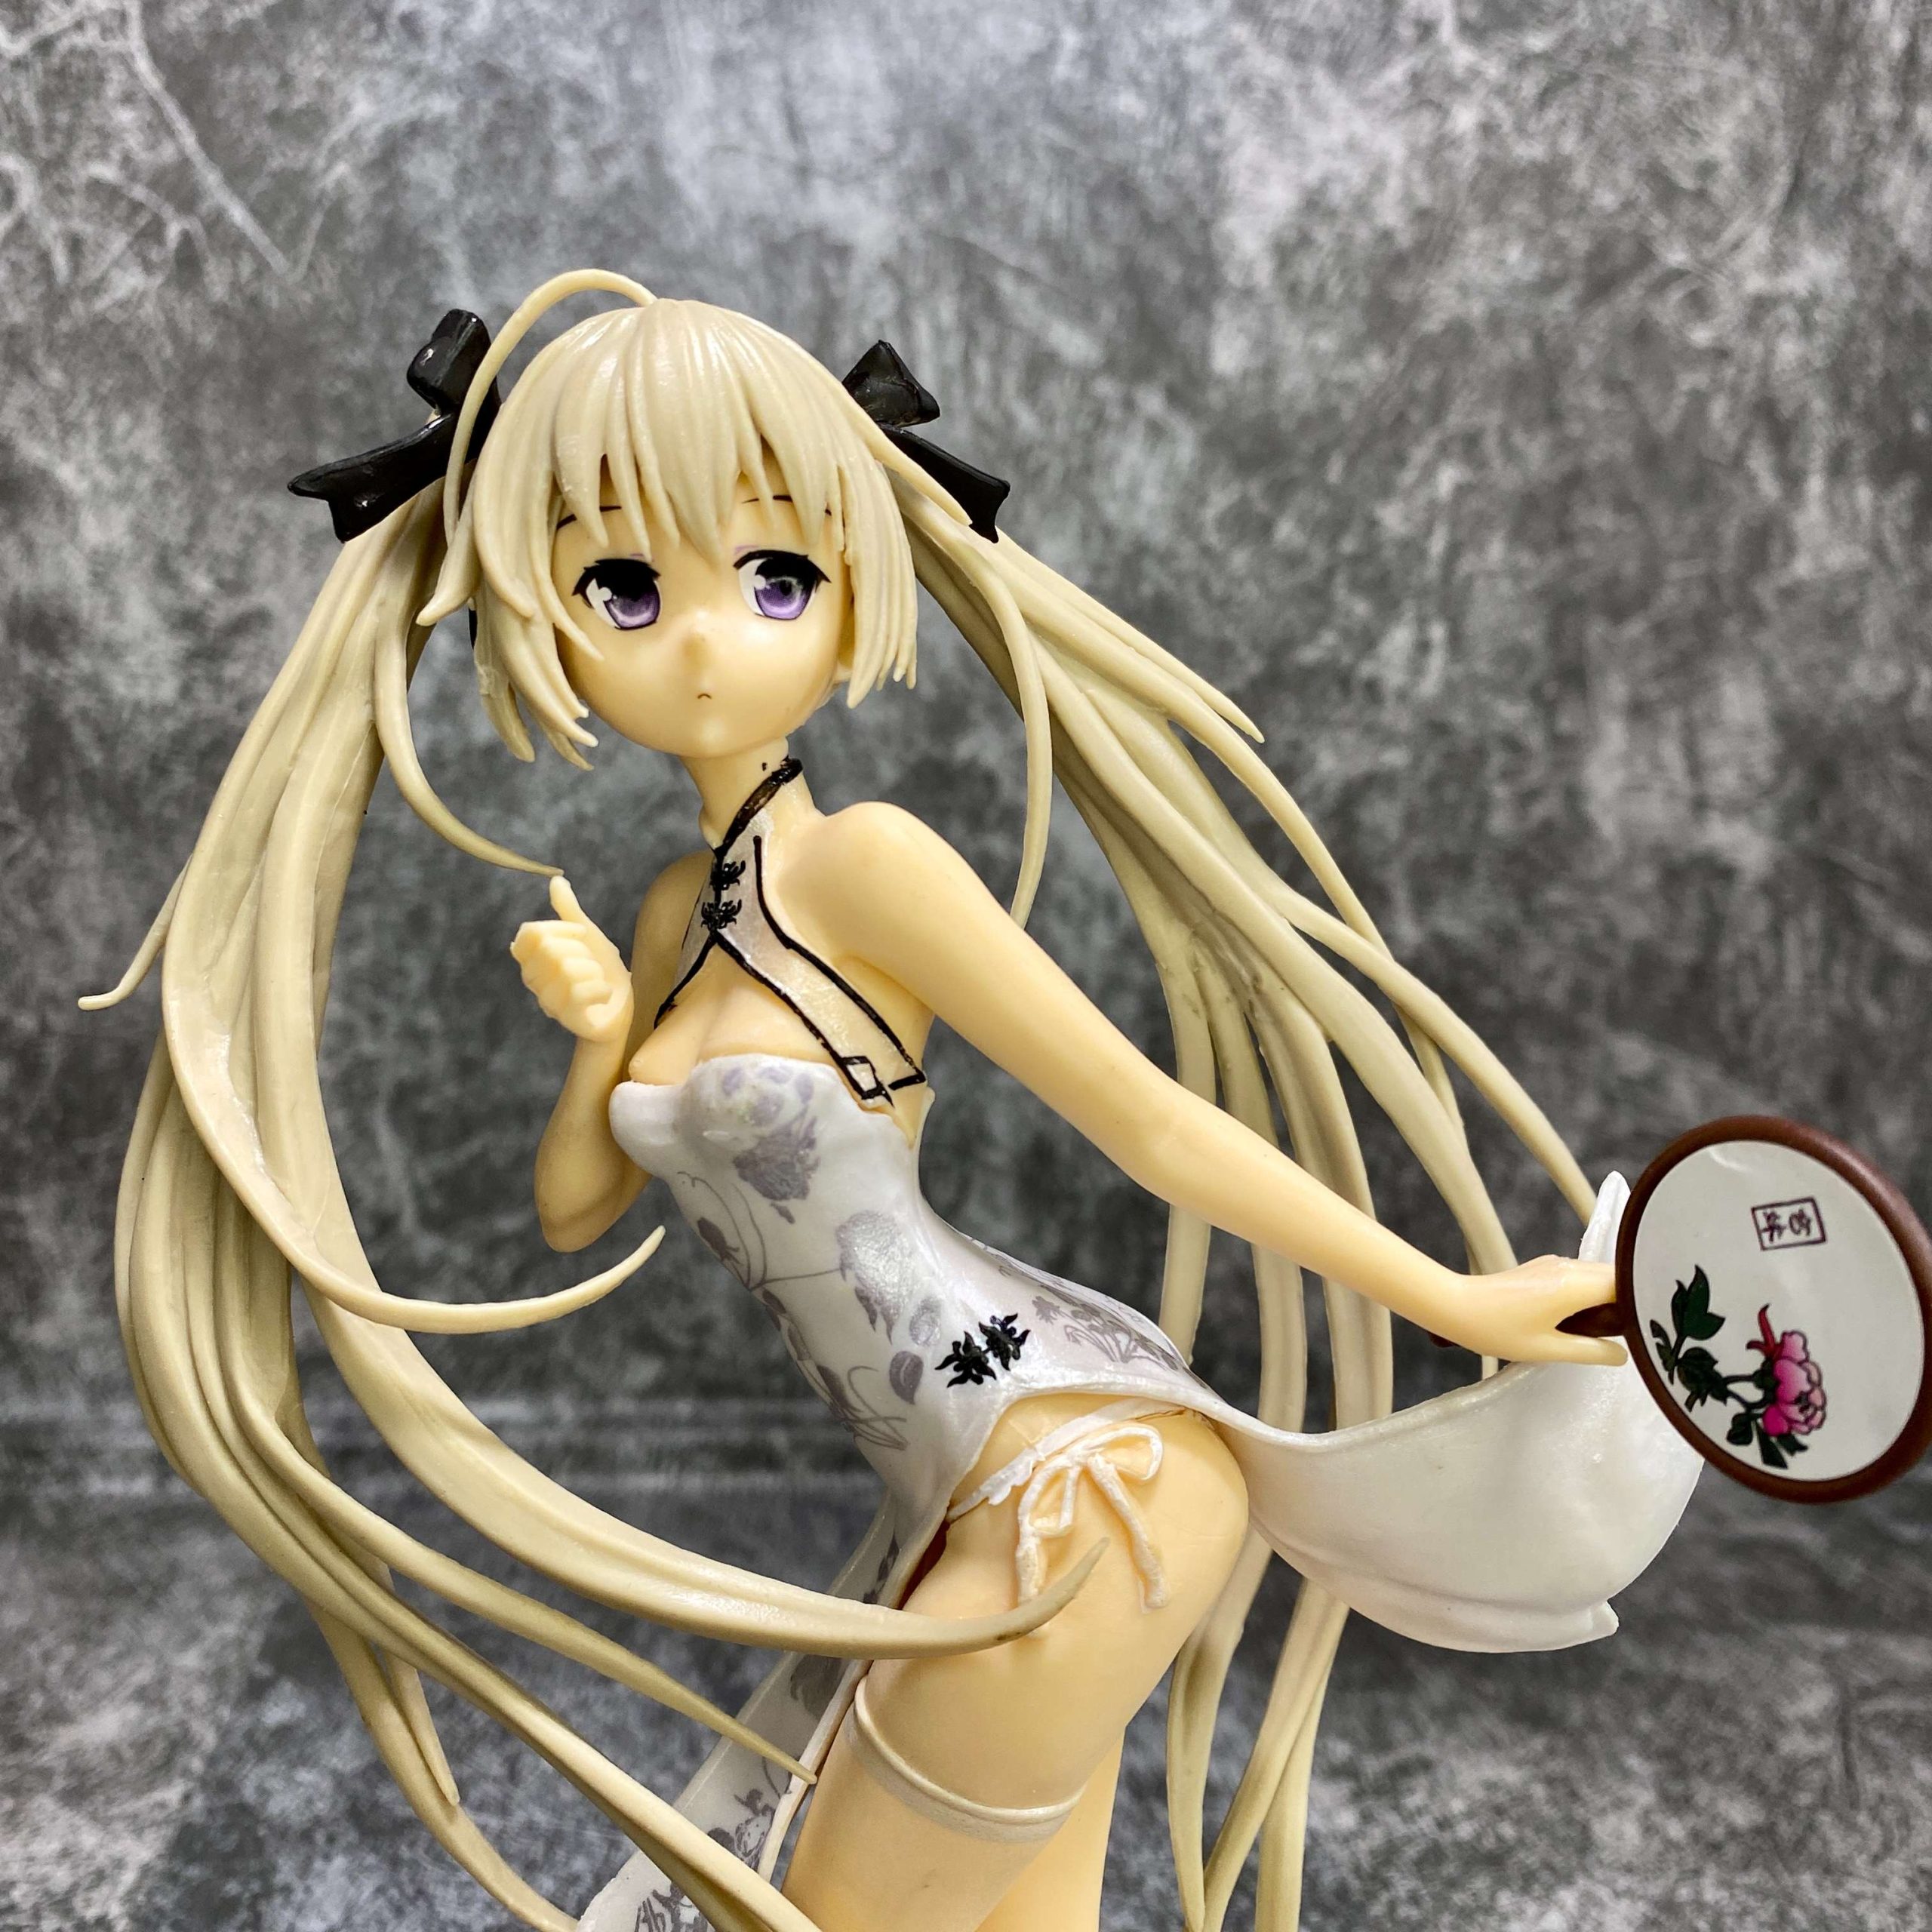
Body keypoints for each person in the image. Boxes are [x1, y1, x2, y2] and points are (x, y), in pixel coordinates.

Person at [88, 269, 1697, 1932]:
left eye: (773, 575)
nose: (704, 638)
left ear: (850, 586)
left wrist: (1450, 1299)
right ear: (534, 615)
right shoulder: (675, 912)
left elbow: (1146, 1121)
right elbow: (574, 1212)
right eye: (622, 586)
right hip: (951, 1503)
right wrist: (599, 1035)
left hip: (1075, 1478)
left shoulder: (867, 865)